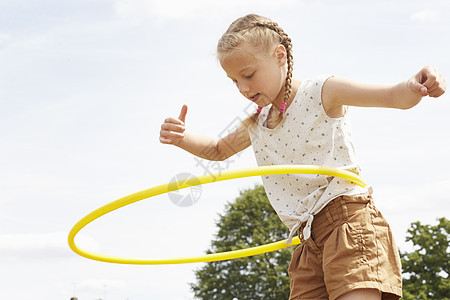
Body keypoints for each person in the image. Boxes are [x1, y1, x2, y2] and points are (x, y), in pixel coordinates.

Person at [159, 14, 446, 300]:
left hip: (348, 226)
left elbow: (394, 97)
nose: (243, 88)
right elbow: (219, 150)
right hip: (308, 244)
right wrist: (181, 138)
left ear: (280, 56)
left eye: (248, 75)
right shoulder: (257, 122)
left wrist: (415, 85)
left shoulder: (322, 91)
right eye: (233, 81)